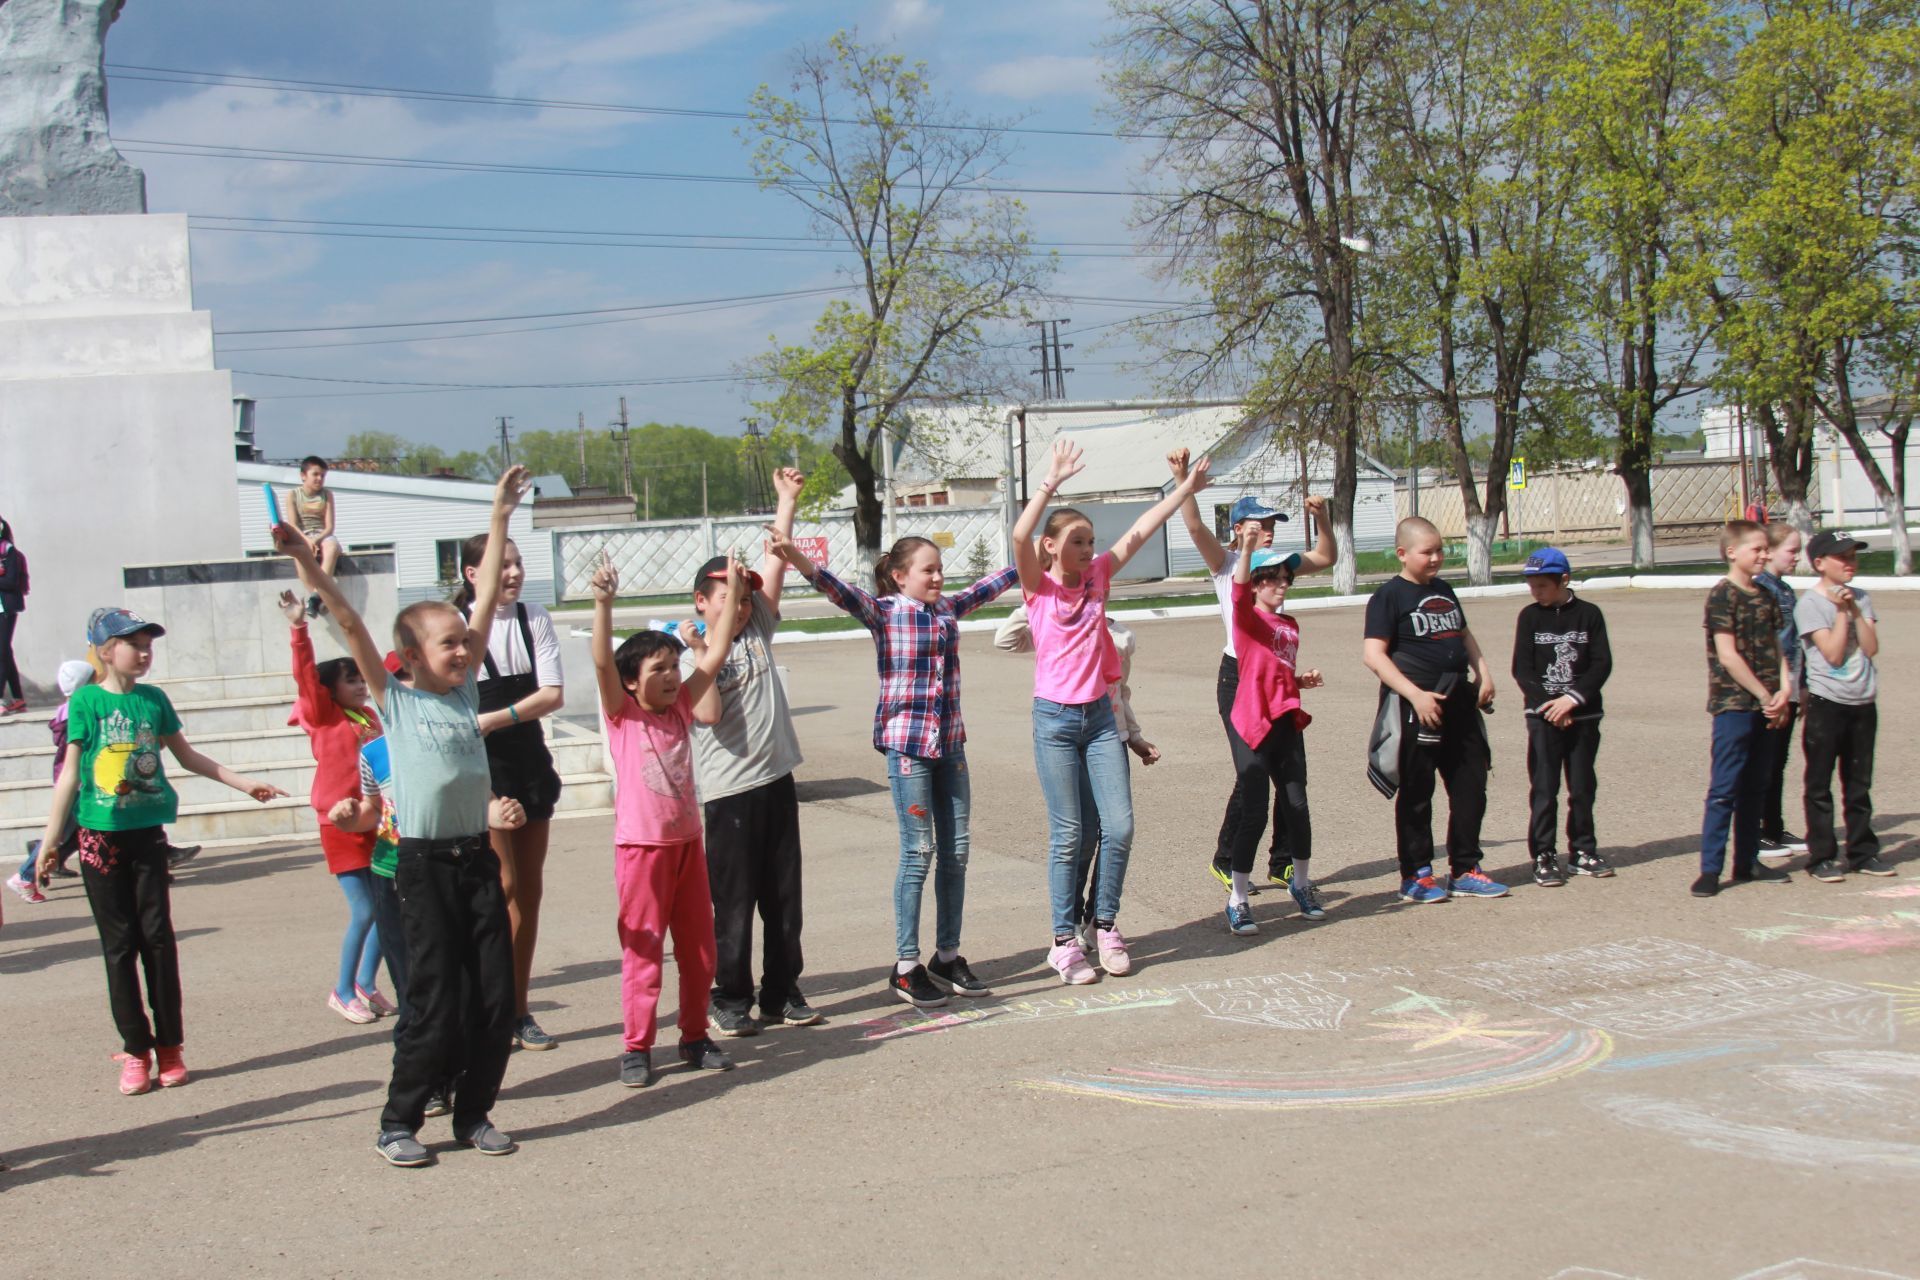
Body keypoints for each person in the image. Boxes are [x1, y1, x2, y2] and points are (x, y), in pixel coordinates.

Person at [275, 465, 531, 1168]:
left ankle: (474, 1114)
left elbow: (480, 600)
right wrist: (307, 560)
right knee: (434, 999)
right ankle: (399, 1120)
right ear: (411, 659)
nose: (464, 648)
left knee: (493, 997)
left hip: (475, 857)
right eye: (448, 644)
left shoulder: (460, 693)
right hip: (420, 866)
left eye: (465, 641)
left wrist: (498, 514)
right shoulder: (398, 701)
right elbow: (352, 622)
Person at [34, 609, 287, 1095]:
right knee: (118, 946)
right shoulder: (86, 701)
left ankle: (170, 1046)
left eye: (149, 643)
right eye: (134, 643)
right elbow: (69, 774)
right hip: (98, 838)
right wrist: (49, 842)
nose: (145, 651)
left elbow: (188, 756)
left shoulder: (154, 701)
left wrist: (243, 783)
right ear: (107, 651)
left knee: (157, 939)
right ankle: (136, 1049)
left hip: (147, 833)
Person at [765, 525, 1016, 1010]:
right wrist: (793, 554)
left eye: (941, 569)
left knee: (957, 851)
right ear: (900, 577)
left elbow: (992, 584)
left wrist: (1033, 555)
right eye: (928, 570)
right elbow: (834, 586)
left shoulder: (947, 609)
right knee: (918, 852)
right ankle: (906, 967)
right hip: (908, 749)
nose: (938, 577)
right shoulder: (884, 612)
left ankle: (947, 956)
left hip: (951, 747)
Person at [1013, 439, 1212, 984]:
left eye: (1090, 542)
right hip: (1054, 721)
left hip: (1100, 719)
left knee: (1118, 828)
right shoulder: (1039, 589)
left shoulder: (1099, 576)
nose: (1087, 549)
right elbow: (1017, 536)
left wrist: (1182, 489)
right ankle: (1063, 941)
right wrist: (1050, 481)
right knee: (1069, 833)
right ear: (1050, 546)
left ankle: (1104, 925)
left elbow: (1142, 529)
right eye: (1076, 541)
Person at [330, 661, 525, 1124]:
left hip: (454, 872)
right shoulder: (375, 752)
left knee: (468, 988)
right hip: (396, 876)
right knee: (418, 992)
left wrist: (502, 812)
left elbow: (482, 797)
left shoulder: (454, 738)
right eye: (404, 687)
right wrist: (348, 817)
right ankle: (424, 1088)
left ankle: (461, 1084)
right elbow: (371, 813)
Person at [591, 552, 742, 1086]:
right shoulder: (623, 714)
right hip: (642, 850)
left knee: (700, 951)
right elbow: (604, 664)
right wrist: (603, 604)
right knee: (644, 950)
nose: (672, 677)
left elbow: (717, 649)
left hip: (686, 846)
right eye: (658, 670)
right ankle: (637, 1046)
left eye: (674, 667)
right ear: (633, 683)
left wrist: (736, 592)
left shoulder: (681, 707)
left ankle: (695, 1036)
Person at [678, 467, 816, 1036]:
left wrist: (786, 501)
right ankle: (729, 999)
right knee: (733, 907)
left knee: (783, 903)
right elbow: (706, 713)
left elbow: (776, 565)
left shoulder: (756, 629)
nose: (739, 605)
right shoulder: (691, 660)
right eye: (727, 595)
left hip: (776, 782)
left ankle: (781, 992)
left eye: (743, 598)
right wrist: (705, 646)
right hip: (729, 798)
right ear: (700, 601)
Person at [1169, 448, 1335, 913]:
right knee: (1253, 773)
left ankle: (1284, 862)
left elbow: (1326, 555)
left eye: (1273, 526)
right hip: (1238, 677)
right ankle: (1228, 859)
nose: (1268, 532)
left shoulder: (1279, 565)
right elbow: (1196, 527)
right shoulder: (1225, 563)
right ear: (1239, 529)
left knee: (1290, 779)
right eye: (1259, 525)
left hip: (1276, 677)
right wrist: (1183, 478)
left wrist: (1323, 518)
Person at [994, 597, 1161, 949]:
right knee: (1081, 834)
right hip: (1066, 736)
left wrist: (1134, 736)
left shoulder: (1120, 637)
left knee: (1115, 830)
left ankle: (1098, 921)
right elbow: (1006, 640)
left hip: (1109, 737)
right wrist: (1035, 603)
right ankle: (1070, 918)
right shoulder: (1054, 627)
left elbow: (1120, 693)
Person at [453, 532, 566, 1052]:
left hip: (529, 763)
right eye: (504, 564)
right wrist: (485, 730)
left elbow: (552, 694)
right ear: (473, 574)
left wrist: (496, 719)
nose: (515, 573)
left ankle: (519, 1009)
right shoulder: (459, 629)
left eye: (519, 563)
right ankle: (488, 1008)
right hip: (483, 772)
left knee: (531, 891)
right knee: (501, 887)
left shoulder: (534, 617)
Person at [1361, 516, 1506, 904]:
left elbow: (1463, 633)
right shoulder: (1388, 597)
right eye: (1428, 552)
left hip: (1459, 699)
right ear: (1403, 554)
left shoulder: (1444, 589)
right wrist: (1415, 695)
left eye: (1440, 550)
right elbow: (1373, 656)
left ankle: (1465, 868)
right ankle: (1417, 875)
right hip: (1416, 705)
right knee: (1417, 792)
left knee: (1471, 784)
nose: (1437, 558)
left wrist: (1484, 672)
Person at [280, 587, 391, 1025]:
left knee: (388, 905)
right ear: (329, 690)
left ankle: (365, 983)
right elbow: (306, 676)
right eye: (352, 680)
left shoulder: (371, 717)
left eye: (362, 678)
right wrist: (298, 628)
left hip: (377, 819)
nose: (361, 685)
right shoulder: (326, 715)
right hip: (339, 823)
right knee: (365, 909)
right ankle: (342, 989)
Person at [1221, 530, 1323, 936]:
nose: (1282, 585)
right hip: (1252, 724)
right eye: (1274, 578)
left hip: (1285, 719)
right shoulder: (1246, 619)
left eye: (1286, 579)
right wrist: (1246, 551)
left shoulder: (1290, 625)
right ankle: (1239, 899)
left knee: (1296, 806)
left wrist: (1300, 681)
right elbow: (1239, 586)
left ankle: (1301, 884)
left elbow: (1274, 675)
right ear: (1258, 584)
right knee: (1255, 812)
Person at [1692, 519, 1794, 898]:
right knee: (1725, 789)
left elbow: (1778, 646)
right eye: (1757, 549)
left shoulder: (1766, 595)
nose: (1764, 555)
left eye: (1767, 549)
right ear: (1732, 552)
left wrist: (1785, 688)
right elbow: (1728, 655)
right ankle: (1710, 869)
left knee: (1756, 787)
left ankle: (1748, 861)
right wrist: (1764, 695)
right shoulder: (1723, 595)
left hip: (1768, 705)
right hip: (1734, 704)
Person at [1510, 548, 1614, 887]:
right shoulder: (1529, 617)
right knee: (1544, 787)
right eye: (1531, 585)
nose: (1535, 592)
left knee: (1582, 785)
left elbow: (1601, 664)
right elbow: (1523, 670)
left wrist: (1571, 701)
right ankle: (1544, 853)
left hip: (1582, 715)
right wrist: (1550, 706)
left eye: (1542, 586)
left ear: (1563, 580)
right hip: (1543, 718)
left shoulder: (1589, 615)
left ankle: (1583, 849)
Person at [1795, 530, 1890, 882]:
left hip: (1863, 700)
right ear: (1820, 564)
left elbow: (1870, 647)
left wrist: (1852, 608)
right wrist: (1839, 612)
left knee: (1859, 783)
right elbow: (1833, 654)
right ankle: (1821, 856)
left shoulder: (1861, 598)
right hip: (1827, 702)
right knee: (1820, 785)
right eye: (1843, 557)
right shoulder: (1811, 604)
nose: (1850, 563)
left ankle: (1863, 852)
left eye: (1853, 556)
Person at [8, 659, 96, 904]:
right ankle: (25, 875)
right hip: (77, 783)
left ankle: (35, 869)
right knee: (61, 833)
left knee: (74, 832)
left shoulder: (64, 710)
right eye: (93, 679)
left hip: (74, 781)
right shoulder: (79, 712)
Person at [1754, 522, 1806, 856]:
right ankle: (1757, 831)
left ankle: (1773, 827)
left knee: (1777, 762)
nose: (1797, 557)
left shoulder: (1785, 590)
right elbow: (1766, 645)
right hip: (1772, 689)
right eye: (1792, 550)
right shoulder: (1762, 590)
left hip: (1791, 687)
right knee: (1763, 762)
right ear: (1769, 551)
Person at [288, 457, 341, 614]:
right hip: (302, 535)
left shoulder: (327, 495)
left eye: (322, 476)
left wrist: (317, 540)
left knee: (332, 546)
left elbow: (330, 527)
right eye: (315, 474)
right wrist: (307, 541)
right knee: (298, 553)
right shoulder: (293, 495)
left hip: (322, 535)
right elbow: (293, 525)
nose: (319, 479)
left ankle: (317, 595)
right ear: (303, 475)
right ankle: (316, 595)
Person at [0, 517, 27, 713]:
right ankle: (18, 697)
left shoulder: (8, 552)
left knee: (1, 651)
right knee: (5, 652)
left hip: (6, 608)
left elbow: (11, 582)